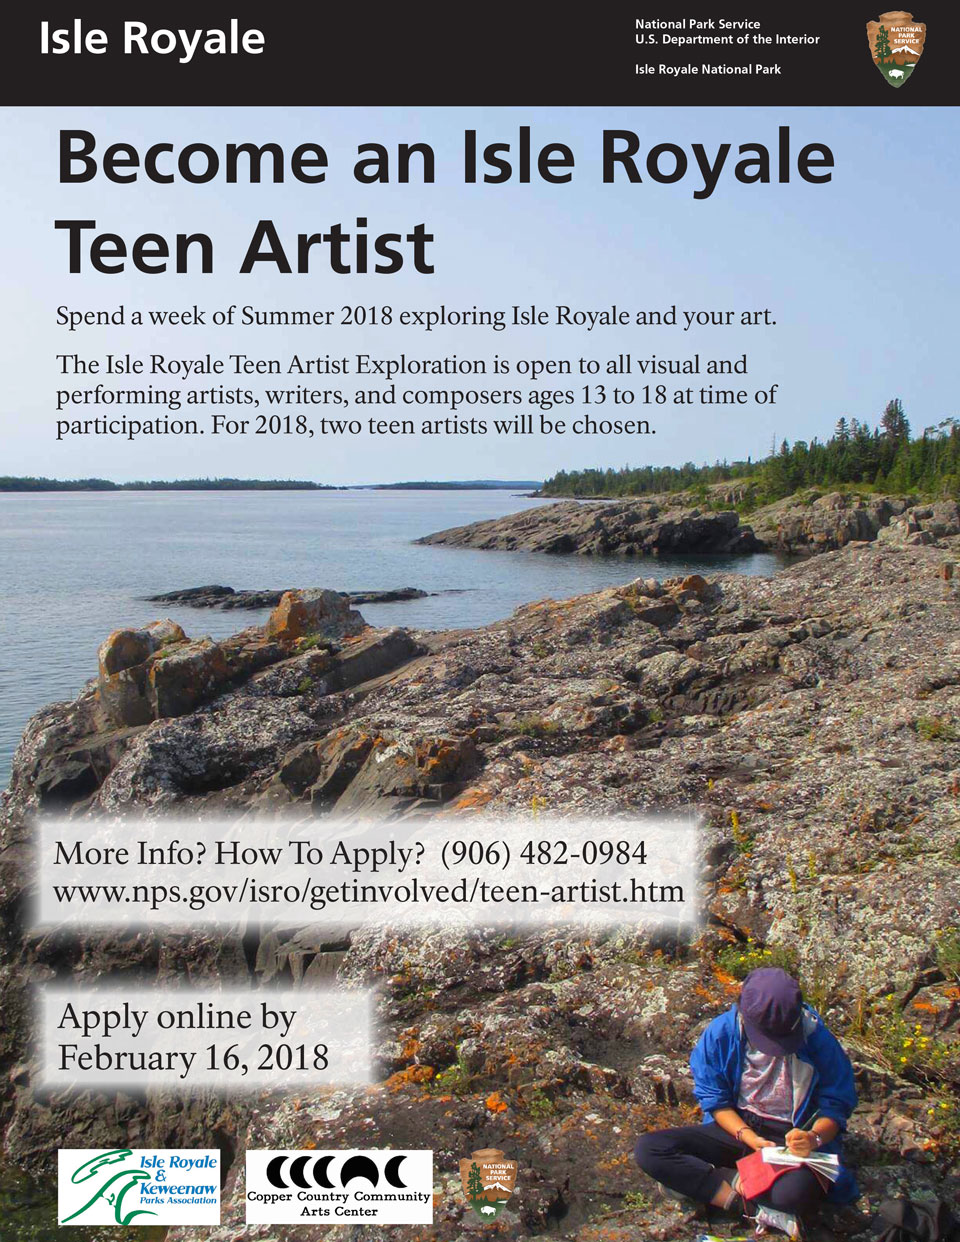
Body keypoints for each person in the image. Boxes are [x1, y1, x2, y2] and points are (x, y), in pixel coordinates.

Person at [634, 966, 858, 1233]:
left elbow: (836, 1104)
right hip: (737, 1130)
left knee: (794, 1195)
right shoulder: (721, 1034)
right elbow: (715, 1101)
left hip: (789, 1139)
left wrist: (813, 1138)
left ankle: (707, 1182)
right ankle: (741, 1198)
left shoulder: (818, 1040)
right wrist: (748, 1137)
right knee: (650, 1149)